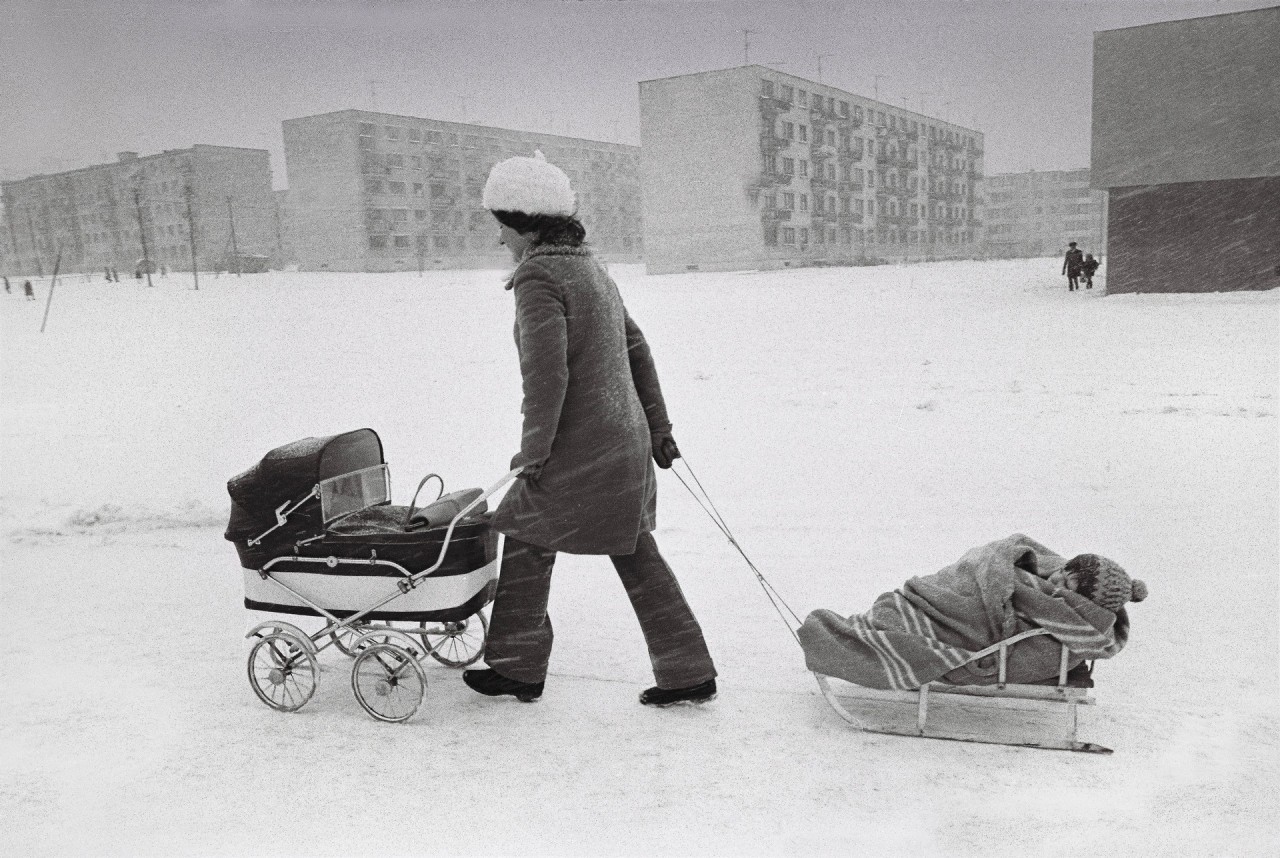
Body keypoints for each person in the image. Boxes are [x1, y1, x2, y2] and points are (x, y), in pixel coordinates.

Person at [462, 151, 718, 707]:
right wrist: (658, 428)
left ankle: (518, 667)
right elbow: (637, 349)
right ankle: (686, 670)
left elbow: (546, 375)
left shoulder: (538, 276)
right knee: (622, 549)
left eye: (502, 227)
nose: (499, 238)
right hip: (623, 438)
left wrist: (533, 451)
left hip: (581, 448)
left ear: (524, 224)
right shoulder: (591, 269)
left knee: (528, 533)